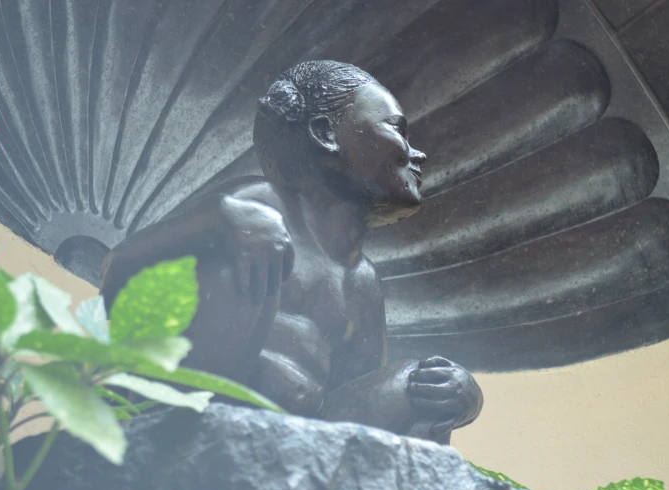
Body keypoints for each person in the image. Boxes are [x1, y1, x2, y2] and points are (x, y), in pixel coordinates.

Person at [100, 61, 483, 444]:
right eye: (396, 129)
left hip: (297, 443)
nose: (418, 155)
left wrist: (462, 396)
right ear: (325, 134)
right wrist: (221, 218)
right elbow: (118, 269)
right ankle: (184, 441)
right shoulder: (258, 204)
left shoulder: (362, 279)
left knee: (426, 384)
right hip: (193, 427)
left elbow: (357, 390)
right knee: (246, 249)